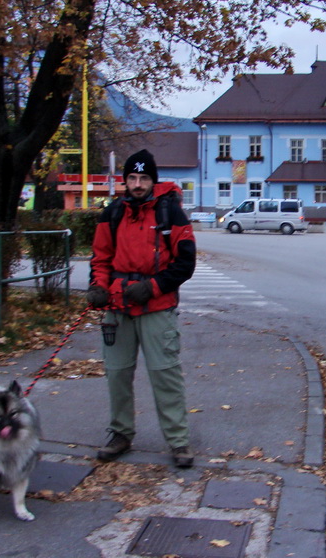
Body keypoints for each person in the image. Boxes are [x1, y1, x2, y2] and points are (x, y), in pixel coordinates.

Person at [86, 149, 197, 467]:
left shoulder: (171, 214)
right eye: (132, 178)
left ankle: (178, 442)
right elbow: (101, 258)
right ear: (125, 181)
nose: (137, 184)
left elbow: (185, 263)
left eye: (143, 178)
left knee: (165, 376)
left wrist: (152, 287)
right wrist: (97, 288)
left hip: (157, 308)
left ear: (152, 180)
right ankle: (121, 434)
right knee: (117, 374)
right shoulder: (112, 213)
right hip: (118, 306)